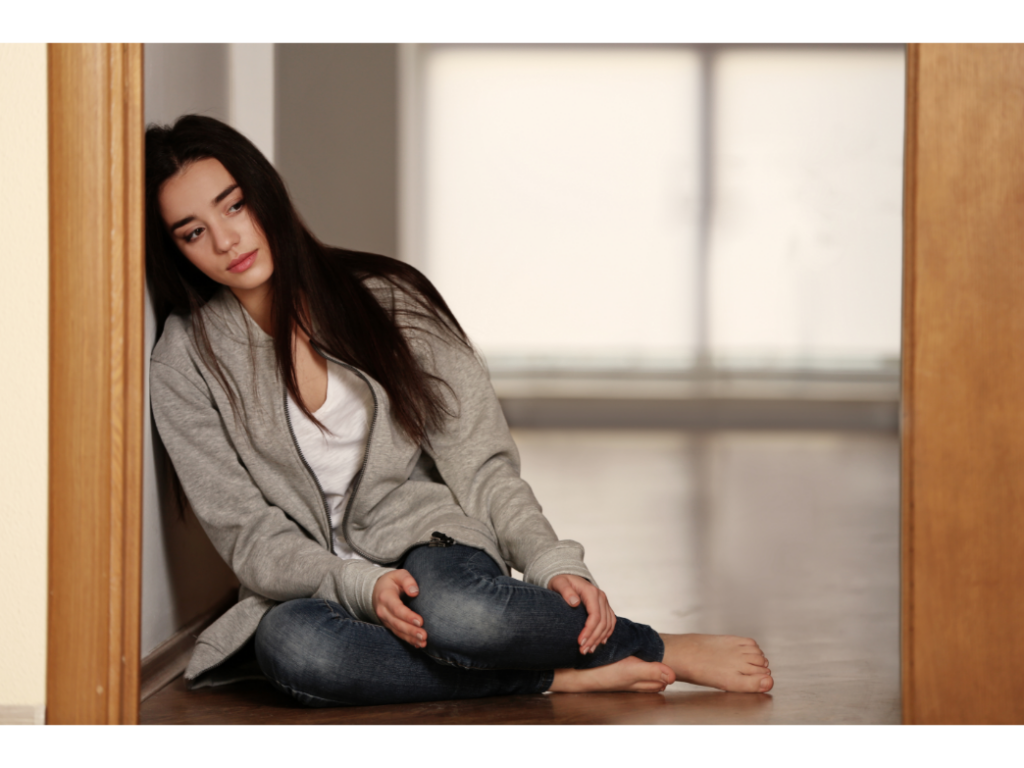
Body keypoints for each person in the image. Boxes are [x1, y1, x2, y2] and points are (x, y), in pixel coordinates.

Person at [146, 114, 774, 707]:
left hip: (431, 546)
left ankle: (655, 645)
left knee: (464, 615)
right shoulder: (184, 360)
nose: (226, 240)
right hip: (312, 583)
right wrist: (353, 583)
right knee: (296, 650)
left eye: (234, 204)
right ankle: (549, 678)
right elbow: (247, 532)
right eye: (194, 232)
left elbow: (481, 463)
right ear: (178, 251)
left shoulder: (388, 299)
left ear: (266, 195)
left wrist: (549, 558)